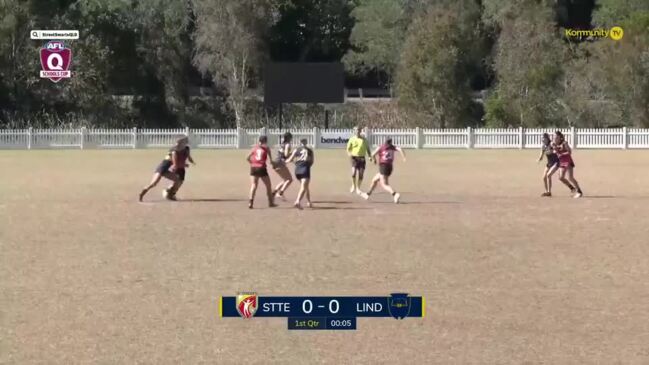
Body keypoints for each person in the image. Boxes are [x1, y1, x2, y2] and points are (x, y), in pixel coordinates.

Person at [139, 136, 194, 202]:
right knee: (153, 184)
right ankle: (142, 194)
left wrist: (190, 162)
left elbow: (182, 159)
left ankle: (170, 194)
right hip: (162, 168)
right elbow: (175, 164)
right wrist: (185, 165)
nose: (186, 143)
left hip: (166, 170)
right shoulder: (174, 151)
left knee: (178, 180)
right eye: (184, 142)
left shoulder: (183, 149)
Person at [362, 138, 406, 204]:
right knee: (375, 180)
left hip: (383, 166)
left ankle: (395, 194)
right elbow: (400, 149)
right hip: (389, 167)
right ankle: (367, 194)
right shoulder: (392, 147)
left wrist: (374, 160)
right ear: (390, 142)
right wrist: (404, 157)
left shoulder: (381, 147)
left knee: (384, 184)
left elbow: (372, 154)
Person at [247, 135, 277, 209]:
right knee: (268, 186)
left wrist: (252, 163)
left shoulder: (254, 148)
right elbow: (270, 160)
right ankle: (270, 202)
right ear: (265, 141)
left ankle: (250, 202)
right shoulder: (267, 148)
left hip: (253, 167)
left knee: (253, 185)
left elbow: (247, 158)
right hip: (262, 168)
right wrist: (274, 165)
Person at [286, 138, 314, 209]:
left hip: (297, 170)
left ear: (300, 142)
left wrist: (285, 162)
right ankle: (297, 201)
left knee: (305, 186)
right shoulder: (310, 150)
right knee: (303, 187)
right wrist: (308, 165)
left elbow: (290, 159)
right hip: (305, 168)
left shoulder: (296, 149)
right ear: (306, 142)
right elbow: (312, 161)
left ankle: (309, 202)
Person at [554, 131, 583, 198]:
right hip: (562, 162)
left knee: (570, 178)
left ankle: (579, 192)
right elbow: (555, 152)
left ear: (560, 137)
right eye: (554, 136)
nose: (554, 138)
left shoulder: (564, 143)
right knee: (561, 177)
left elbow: (569, 152)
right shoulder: (554, 144)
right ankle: (572, 188)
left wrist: (561, 154)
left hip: (568, 161)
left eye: (556, 136)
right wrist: (554, 151)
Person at [346, 126, 372, 195]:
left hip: (362, 158)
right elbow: (348, 149)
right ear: (354, 131)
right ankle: (353, 185)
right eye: (356, 130)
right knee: (353, 173)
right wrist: (349, 154)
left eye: (358, 130)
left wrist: (369, 156)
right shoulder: (352, 139)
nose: (357, 132)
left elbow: (368, 149)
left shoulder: (364, 140)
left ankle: (358, 188)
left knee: (361, 174)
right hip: (354, 158)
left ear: (360, 131)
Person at [537, 133, 561, 197]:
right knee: (544, 177)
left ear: (547, 138)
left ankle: (549, 191)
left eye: (544, 138)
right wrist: (539, 158)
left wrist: (554, 150)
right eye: (542, 139)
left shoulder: (551, 144)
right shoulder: (543, 146)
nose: (542, 140)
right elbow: (541, 154)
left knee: (548, 175)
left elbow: (556, 149)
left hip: (556, 162)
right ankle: (547, 191)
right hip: (549, 163)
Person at [272, 132, 294, 201]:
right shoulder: (287, 145)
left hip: (276, 163)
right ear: (289, 138)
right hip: (280, 163)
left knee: (285, 180)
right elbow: (286, 154)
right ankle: (280, 193)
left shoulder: (282, 144)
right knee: (289, 179)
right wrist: (292, 154)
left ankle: (274, 192)